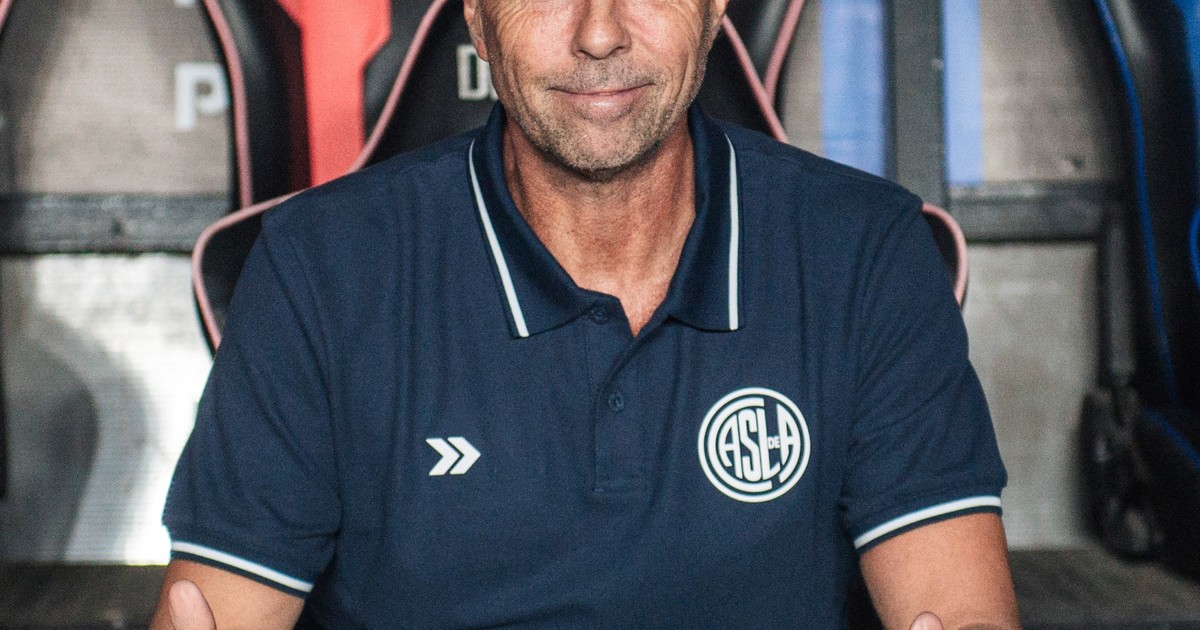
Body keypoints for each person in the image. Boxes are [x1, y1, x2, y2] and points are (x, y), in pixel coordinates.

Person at [152, 0, 1019, 628]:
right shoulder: (320, 267)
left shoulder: (865, 253)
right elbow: (222, 608)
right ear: (477, 18)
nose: (599, 32)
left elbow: (955, 607)